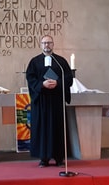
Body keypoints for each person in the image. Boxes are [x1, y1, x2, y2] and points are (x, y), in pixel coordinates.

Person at [26, 35, 73, 167]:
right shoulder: (34, 62)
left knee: (58, 128)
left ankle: (59, 157)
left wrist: (57, 83)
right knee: (42, 129)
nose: (47, 45)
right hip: (41, 102)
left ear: (53, 45)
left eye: (49, 43)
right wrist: (42, 84)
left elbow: (69, 78)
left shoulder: (60, 61)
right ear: (40, 45)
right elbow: (30, 79)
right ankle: (44, 158)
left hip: (56, 101)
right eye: (44, 43)